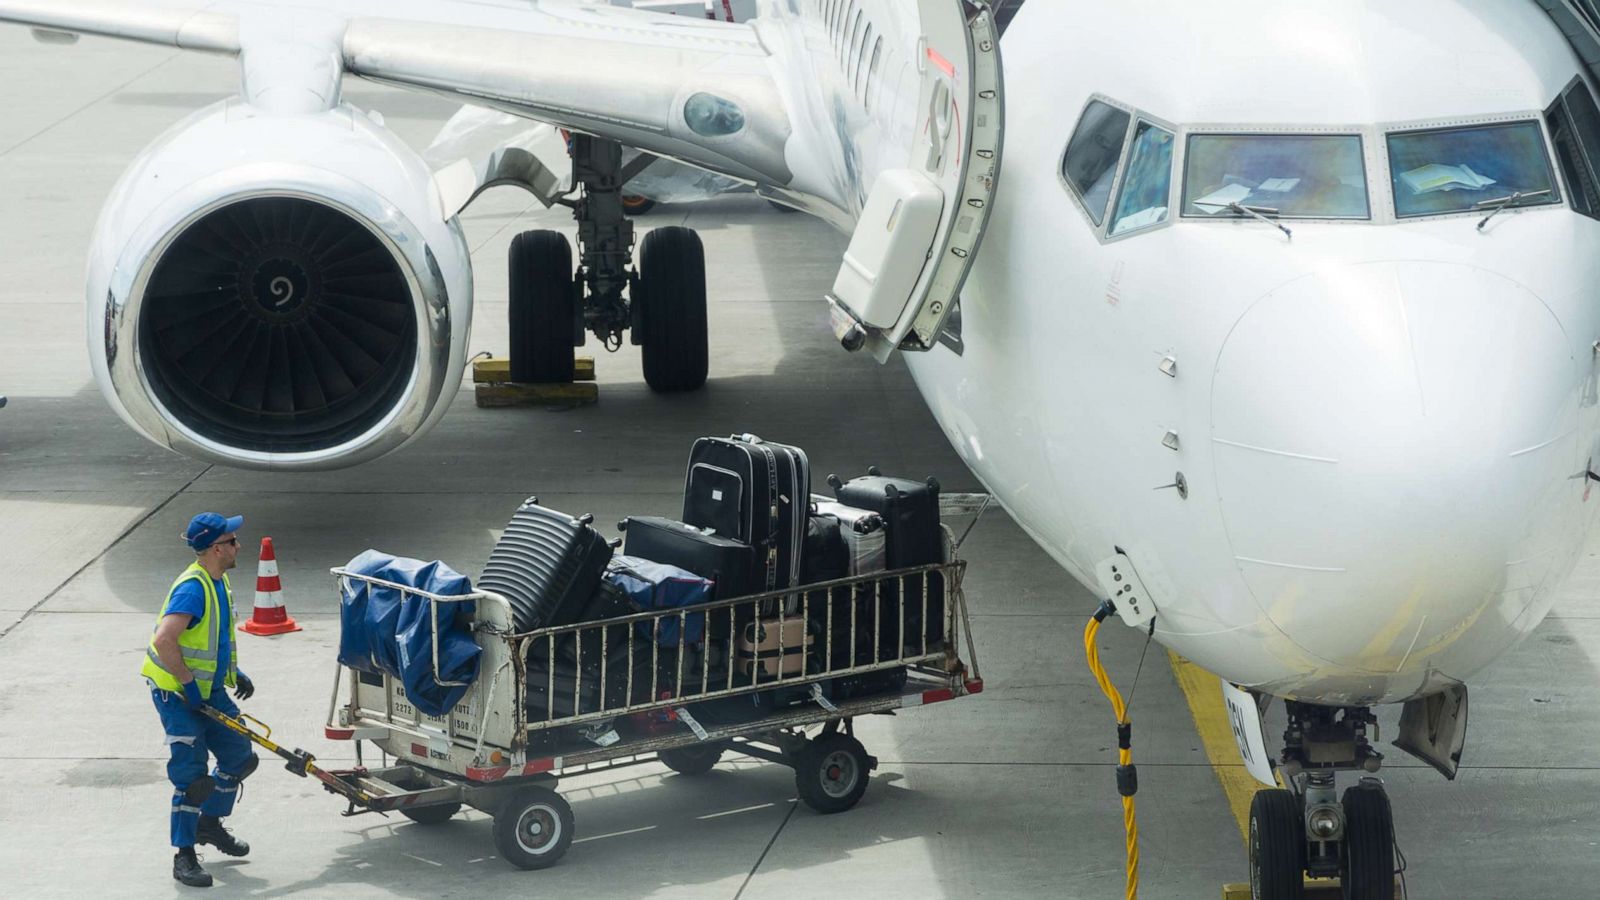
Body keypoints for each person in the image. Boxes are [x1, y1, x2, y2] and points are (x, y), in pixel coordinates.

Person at [140, 512, 260, 888]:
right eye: (232, 541)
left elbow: (215, 640)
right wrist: (188, 683)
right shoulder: (193, 588)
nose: (239, 546)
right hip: (177, 693)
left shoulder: (218, 582)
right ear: (214, 548)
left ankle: (209, 823)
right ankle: (185, 854)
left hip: (209, 691)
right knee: (192, 775)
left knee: (241, 755)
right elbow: (164, 640)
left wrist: (232, 672)